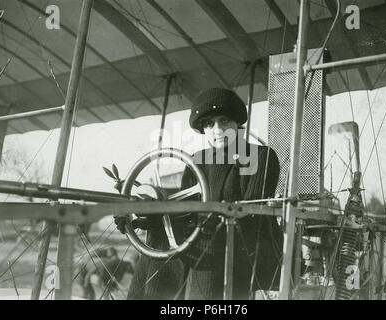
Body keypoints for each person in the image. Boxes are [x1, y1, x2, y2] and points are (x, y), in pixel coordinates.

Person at [116, 88, 283, 300]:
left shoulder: (260, 156)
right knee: (159, 234)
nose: (217, 130)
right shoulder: (198, 159)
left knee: (206, 243)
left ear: (237, 124)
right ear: (203, 129)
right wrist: (143, 216)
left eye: (224, 121)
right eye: (209, 124)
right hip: (204, 237)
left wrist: (210, 220)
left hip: (242, 242)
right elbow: (186, 208)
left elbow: (252, 212)